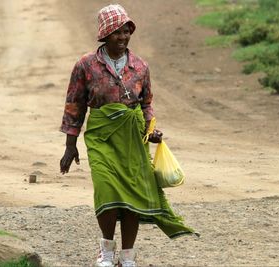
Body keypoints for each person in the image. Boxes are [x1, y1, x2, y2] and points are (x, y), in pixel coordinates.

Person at [59, 4, 197, 267]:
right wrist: (70, 146)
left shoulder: (140, 66)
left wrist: (150, 129)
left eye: (126, 31)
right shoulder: (86, 65)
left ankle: (128, 256)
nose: (122, 38)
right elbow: (74, 106)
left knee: (132, 195)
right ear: (104, 35)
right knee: (106, 190)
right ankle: (106, 251)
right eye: (116, 33)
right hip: (101, 137)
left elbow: (146, 103)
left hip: (133, 137)